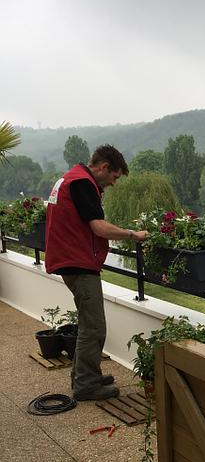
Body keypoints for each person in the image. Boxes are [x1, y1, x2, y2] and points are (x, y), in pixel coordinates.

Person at [45, 145, 148, 401]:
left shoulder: (70, 177)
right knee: (94, 327)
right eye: (114, 177)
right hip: (78, 262)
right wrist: (132, 234)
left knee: (88, 325)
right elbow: (99, 228)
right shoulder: (82, 183)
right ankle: (86, 385)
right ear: (103, 167)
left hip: (68, 258)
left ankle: (85, 375)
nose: (113, 184)